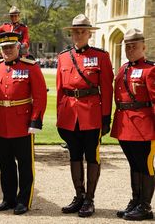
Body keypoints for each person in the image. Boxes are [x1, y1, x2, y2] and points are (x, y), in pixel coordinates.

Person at [56, 14, 114, 217]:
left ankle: (90, 199)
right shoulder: (63, 56)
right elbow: (60, 89)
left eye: (83, 31)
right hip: (70, 115)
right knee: (74, 155)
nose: (79, 35)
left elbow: (106, 89)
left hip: (91, 115)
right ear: (71, 34)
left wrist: (106, 118)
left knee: (92, 156)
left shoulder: (101, 56)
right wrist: (60, 117)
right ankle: (78, 196)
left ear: (89, 33)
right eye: (76, 32)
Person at [0, 32, 47, 215]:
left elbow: (39, 95)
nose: (7, 50)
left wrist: (35, 120)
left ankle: (24, 200)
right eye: (4, 48)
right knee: (5, 165)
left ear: (18, 48)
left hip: (22, 124)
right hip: (2, 125)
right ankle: (8, 198)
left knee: (25, 165)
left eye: (11, 47)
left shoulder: (30, 66)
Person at [110, 28, 154, 221]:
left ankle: (145, 206)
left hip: (144, 127)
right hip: (125, 125)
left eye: (133, 46)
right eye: (127, 46)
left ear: (143, 47)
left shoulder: (151, 70)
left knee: (145, 166)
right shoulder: (123, 69)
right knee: (134, 164)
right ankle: (135, 201)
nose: (129, 49)